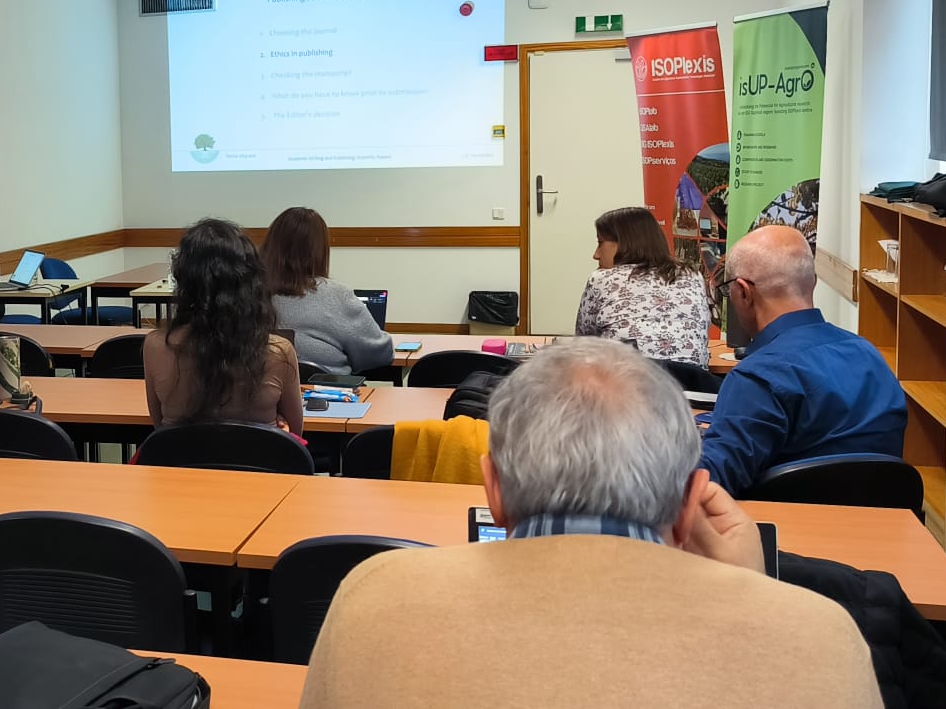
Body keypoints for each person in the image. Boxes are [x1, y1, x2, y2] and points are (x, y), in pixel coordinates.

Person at [299, 338, 879, 708]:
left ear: (492, 489)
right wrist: (754, 597)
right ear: (690, 505)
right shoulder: (823, 638)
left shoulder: (371, 599)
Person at [701, 224, 906, 495]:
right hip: (879, 519)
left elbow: (708, 483)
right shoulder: (871, 357)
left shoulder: (757, 378)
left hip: (779, 520)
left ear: (744, 293)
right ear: (813, 282)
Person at [144, 219, 303, 436]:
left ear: (183, 280)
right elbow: (296, 433)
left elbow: (160, 428)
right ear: (251, 279)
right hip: (258, 458)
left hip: (179, 458)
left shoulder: (155, 346)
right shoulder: (279, 351)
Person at [261, 207, 393, 375]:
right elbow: (378, 355)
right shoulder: (337, 295)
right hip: (330, 390)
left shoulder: (249, 292)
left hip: (265, 390)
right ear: (320, 250)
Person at [574, 206, 711, 366]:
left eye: (600, 243)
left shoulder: (601, 279)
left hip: (628, 378)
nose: (596, 255)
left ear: (623, 243)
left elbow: (585, 346)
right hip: (693, 380)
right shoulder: (692, 275)